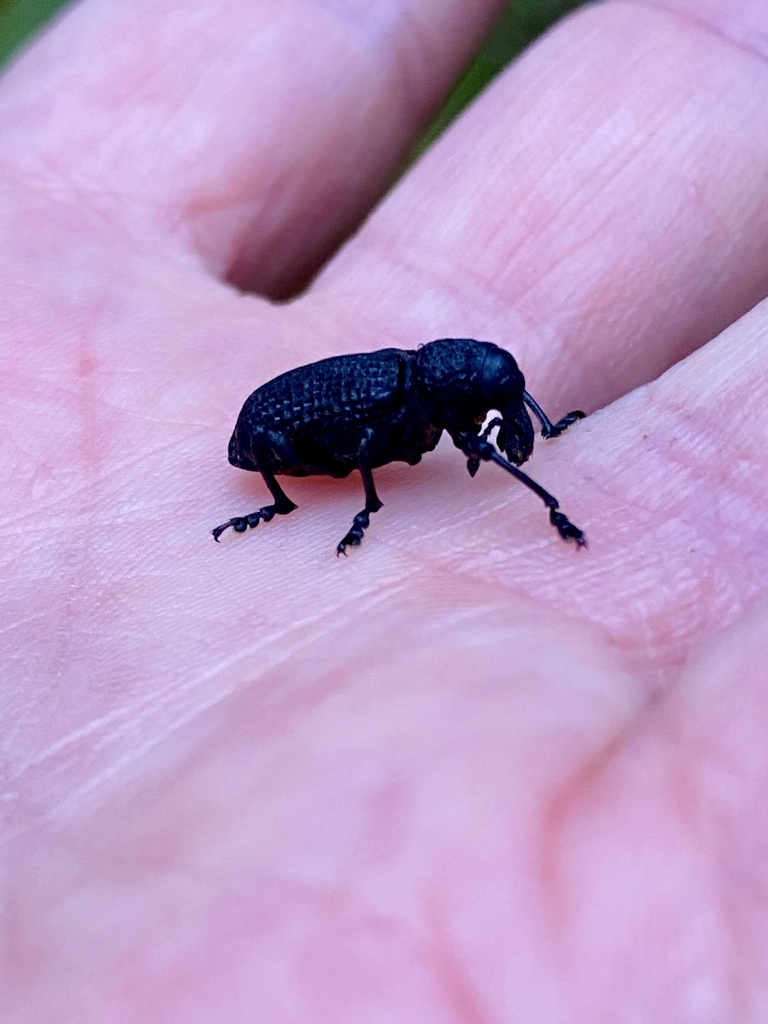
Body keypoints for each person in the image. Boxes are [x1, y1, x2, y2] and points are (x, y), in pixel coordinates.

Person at [3, 0, 767, 1018]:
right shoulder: (397, 404)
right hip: (278, 433)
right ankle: (281, 510)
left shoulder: (445, 394)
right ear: (455, 389)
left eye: (499, 406)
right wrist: (361, 509)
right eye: (492, 405)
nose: (497, 420)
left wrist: (543, 421)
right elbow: (335, 442)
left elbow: (503, 423)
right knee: (325, 453)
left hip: (344, 412)